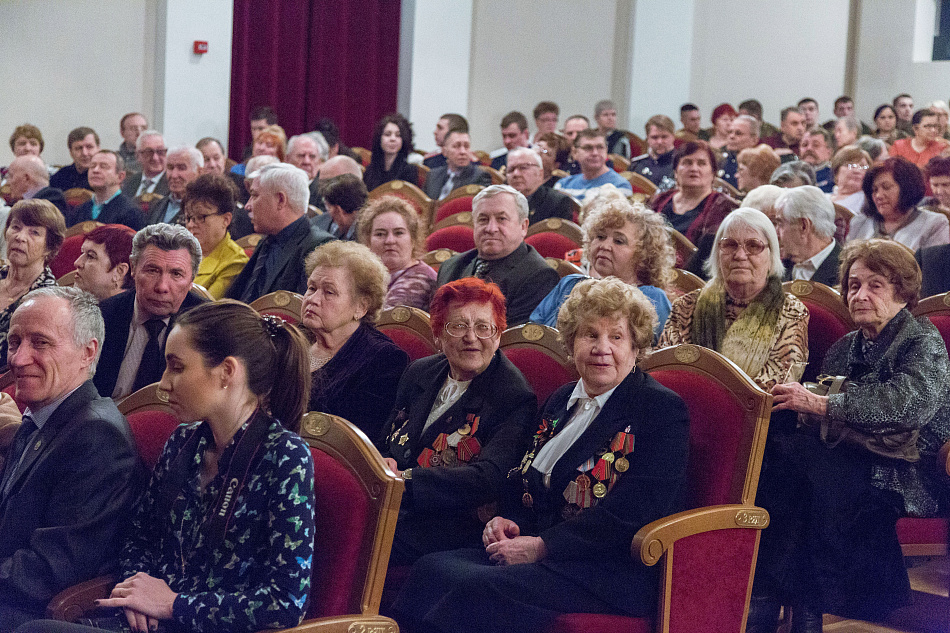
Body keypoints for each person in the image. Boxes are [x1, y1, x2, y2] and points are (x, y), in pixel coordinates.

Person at [391, 277, 691, 633]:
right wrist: (506, 519)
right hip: (541, 551)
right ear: (571, 342)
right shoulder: (561, 400)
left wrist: (543, 546)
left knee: (474, 586)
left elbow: (634, 511)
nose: (601, 348)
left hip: (601, 569)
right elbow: (522, 477)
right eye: (590, 335)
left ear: (636, 346)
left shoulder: (660, 409)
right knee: (432, 568)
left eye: (616, 337)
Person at [21, 300, 318, 633]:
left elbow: (286, 603)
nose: (163, 384)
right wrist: (138, 590)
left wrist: (174, 605)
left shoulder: (286, 458)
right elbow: (139, 535)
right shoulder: (184, 441)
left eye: (177, 367)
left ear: (227, 372)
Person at [751, 240, 950, 631]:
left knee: (815, 478)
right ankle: (792, 603)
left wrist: (822, 404)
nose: (859, 295)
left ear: (903, 292)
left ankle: (783, 603)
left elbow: (906, 406)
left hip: (908, 470)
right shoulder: (845, 347)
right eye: (853, 285)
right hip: (844, 456)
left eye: (874, 285)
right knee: (781, 464)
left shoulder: (922, 342)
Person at [0, 287, 140, 630]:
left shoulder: (98, 436)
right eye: (15, 342)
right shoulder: (43, 414)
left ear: (87, 353)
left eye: (40, 343)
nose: (17, 359)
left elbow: (51, 568)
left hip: (33, 613)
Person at [379, 277, 536, 563]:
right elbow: (388, 437)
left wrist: (405, 480)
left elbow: (488, 477)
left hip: (451, 522)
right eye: (458, 326)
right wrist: (383, 461)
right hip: (397, 504)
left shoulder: (512, 395)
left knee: (360, 535)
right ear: (438, 334)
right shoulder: (420, 372)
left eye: (483, 327)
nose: (471, 337)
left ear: (499, 334)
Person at [659, 207, 809, 391]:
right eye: (730, 245)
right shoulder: (686, 306)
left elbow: (778, 386)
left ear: (771, 257)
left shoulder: (791, 311)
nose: (739, 255)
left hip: (755, 415)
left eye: (753, 246)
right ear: (717, 253)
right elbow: (665, 371)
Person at [303, 240, 409, 441]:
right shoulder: (293, 339)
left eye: (329, 292)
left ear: (361, 307)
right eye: (311, 288)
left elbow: (356, 444)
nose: (313, 299)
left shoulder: (384, 361)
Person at [530, 199, 673, 342]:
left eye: (618, 241)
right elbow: (530, 336)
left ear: (643, 255)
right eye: (600, 237)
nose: (604, 245)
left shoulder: (652, 299)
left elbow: (646, 358)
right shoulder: (569, 285)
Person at [95, 224, 208, 399]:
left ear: (192, 279)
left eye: (176, 274)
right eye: (152, 270)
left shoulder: (207, 325)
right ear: (133, 268)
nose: (162, 287)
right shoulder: (103, 316)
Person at [436, 185, 559, 325]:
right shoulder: (450, 267)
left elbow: (515, 342)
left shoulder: (539, 276)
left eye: (501, 219)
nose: (491, 229)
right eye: (483, 219)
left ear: (523, 226)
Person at [226, 163, 333, 303]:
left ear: (280, 200)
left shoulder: (319, 248)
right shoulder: (267, 240)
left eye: (254, 195)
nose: (247, 206)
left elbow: (299, 313)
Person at [0, 200, 63, 363]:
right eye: (15, 227)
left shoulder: (46, 299)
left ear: (50, 247)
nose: (20, 237)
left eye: (34, 233)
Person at [847, 156, 949, 251]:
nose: (878, 195)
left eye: (886, 187)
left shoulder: (934, 224)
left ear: (907, 188)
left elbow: (933, 268)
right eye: (874, 190)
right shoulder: (859, 223)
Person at [651, 140, 739, 247]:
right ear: (675, 172)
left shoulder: (724, 207)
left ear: (713, 173)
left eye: (701, 163)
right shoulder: (659, 200)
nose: (694, 168)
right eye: (687, 162)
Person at [357, 196, 436, 310]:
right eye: (380, 234)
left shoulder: (420, 279)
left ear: (413, 239)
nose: (389, 241)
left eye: (398, 233)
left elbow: (383, 324)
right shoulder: (368, 277)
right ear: (368, 242)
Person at [184, 173, 249, 299]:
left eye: (201, 217)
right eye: (189, 218)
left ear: (226, 219)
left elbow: (207, 308)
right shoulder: (181, 251)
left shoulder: (234, 262)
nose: (191, 224)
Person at [774, 186, 841, 286]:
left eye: (780, 224)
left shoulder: (846, 270)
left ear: (803, 226)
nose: (776, 233)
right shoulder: (776, 268)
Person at [70, 151, 144, 230]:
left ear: (120, 176)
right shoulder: (79, 210)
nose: (95, 170)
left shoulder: (131, 212)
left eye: (103, 166)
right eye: (92, 166)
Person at [554, 129, 632, 203]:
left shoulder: (619, 186)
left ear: (606, 151)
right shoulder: (563, 186)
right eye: (588, 148)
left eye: (600, 147)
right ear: (575, 153)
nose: (595, 153)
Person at [506, 147, 574, 225]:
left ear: (540, 173)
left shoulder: (557, 202)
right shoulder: (499, 202)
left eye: (523, 168)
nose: (516, 174)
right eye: (511, 169)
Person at [74, 224, 136, 301]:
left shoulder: (129, 312)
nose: (77, 263)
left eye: (90, 256)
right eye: (82, 253)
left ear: (119, 271)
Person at [423, 129, 490, 201]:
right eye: (456, 146)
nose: (463, 152)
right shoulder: (433, 175)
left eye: (466, 146)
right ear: (445, 151)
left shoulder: (480, 176)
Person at [145, 147, 203, 226]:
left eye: (181, 168)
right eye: (170, 168)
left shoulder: (205, 209)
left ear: (199, 172)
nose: (174, 175)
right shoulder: (157, 204)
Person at [363, 113, 418, 192]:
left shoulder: (409, 171)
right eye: (387, 134)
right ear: (379, 138)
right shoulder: (370, 171)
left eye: (398, 135)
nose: (393, 139)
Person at [312, 173, 367, 241]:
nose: (328, 213)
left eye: (328, 207)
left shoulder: (367, 235)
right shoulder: (317, 223)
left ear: (338, 210)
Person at [629, 115, 676, 191]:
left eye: (664, 137)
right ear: (647, 138)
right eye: (655, 137)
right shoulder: (636, 165)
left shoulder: (681, 164)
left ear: (673, 136)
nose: (659, 142)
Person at [121, 131, 169, 199]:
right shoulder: (129, 182)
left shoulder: (172, 184)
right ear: (137, 155)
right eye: (148, 152)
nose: (155, 158)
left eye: (160, 151)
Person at [718, 115, 760, 188]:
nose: (731, 136)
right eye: (730, 132)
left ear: (754, 140)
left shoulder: (759, 165)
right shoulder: (718, 159)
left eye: (738, 133)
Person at [827, 145, 871, 214]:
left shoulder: (868, 202)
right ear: (836, 172)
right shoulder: (823, 197)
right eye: (850, 165)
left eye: (863, 166)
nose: (857, 171)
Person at [798, 127, 834, 192]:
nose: (809, 148)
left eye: (815, 145)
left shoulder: (835, 176)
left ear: (829, 152)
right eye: (804, 145)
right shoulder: (792, 173)